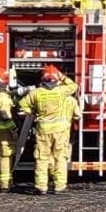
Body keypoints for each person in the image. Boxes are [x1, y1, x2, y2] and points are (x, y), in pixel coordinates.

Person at [22, 65, 77, 194]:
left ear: (43, 79)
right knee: (60, 158)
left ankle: (41, 187)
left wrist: (33, 112)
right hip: (61, 130)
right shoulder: (62, 91)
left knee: (42, 158)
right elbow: (74, 86)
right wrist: (62, 76)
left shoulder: (36, 93)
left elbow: (22, 105)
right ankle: (59, 186)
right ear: (56, 80)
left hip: (43, 131)